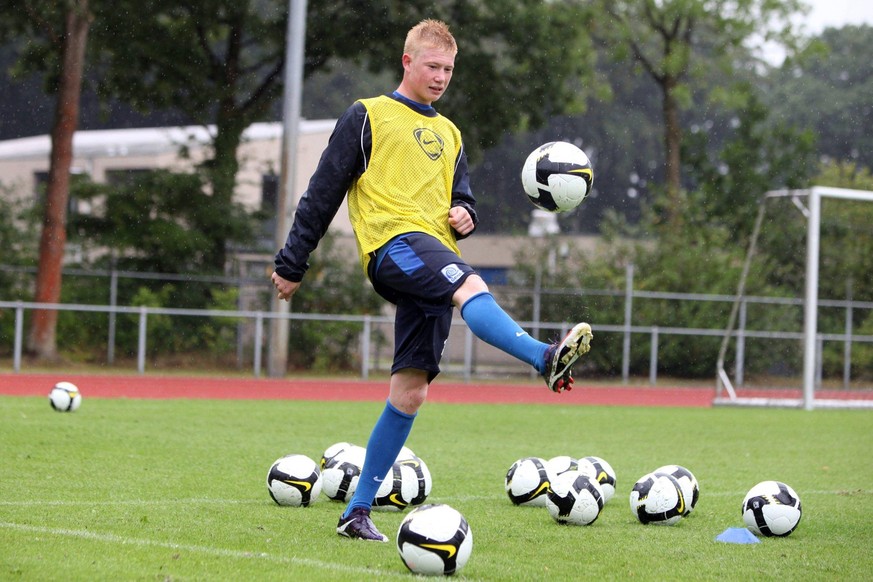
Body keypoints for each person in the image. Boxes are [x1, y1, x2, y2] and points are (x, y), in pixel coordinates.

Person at [271, 19, 592, 542]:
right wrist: (292, 262)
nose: (441, 77)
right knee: (472, 288)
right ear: (408, 62)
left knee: (410, 391)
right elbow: (322, 191)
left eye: (448, 68)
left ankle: (356, 512)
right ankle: (542, 356)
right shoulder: (367, 115)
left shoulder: (450, 133)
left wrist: (466, 214)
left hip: (432, 252)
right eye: (432, 66)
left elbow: (458, 200)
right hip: (392, 245)